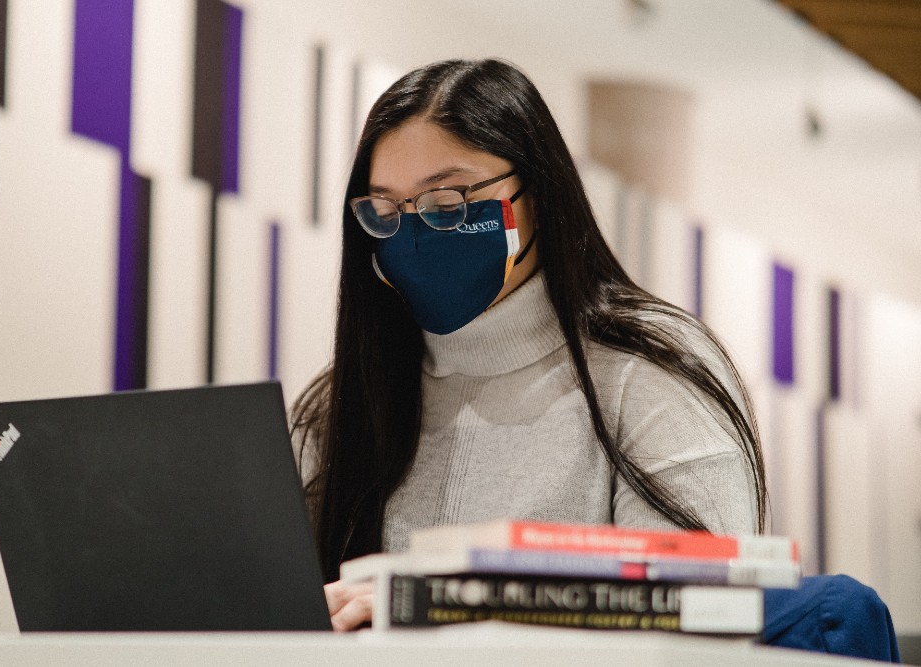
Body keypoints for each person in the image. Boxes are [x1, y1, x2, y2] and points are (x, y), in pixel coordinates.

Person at [290, 58, 767, 632]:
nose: (414, 235)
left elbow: (704, 614)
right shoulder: (341, 401)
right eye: (388, 211)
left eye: (446, 203)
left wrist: (441, 604)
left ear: (535, 193)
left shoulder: (648, 369)